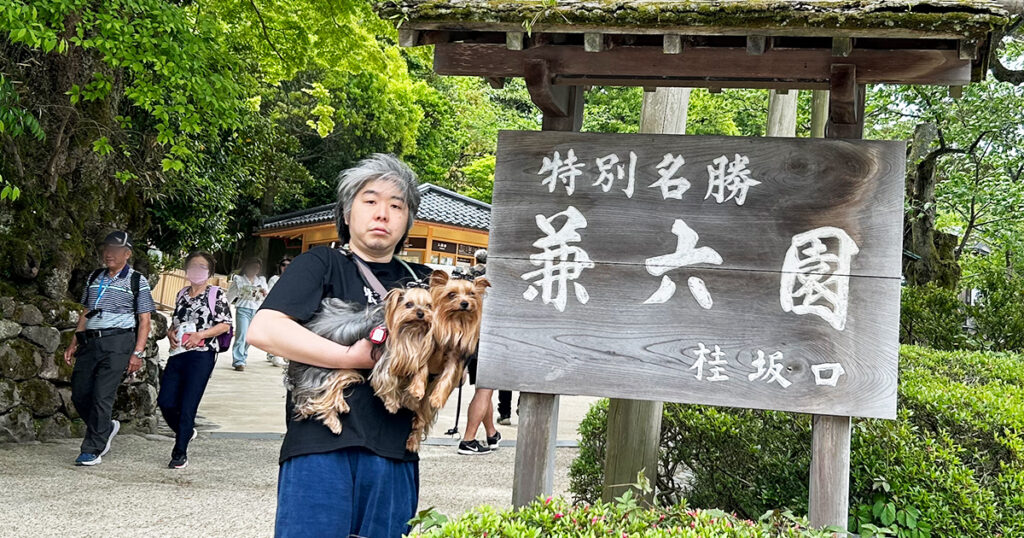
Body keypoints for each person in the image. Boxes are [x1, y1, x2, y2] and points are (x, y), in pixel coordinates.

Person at [247, 154, 433, 538]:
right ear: (347, 214)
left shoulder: (425, 283)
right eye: (370, 201)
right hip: (319, 444)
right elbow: (264, 329)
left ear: (408, 221)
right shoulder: (321, 264)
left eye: (397, 206)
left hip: (395, 450)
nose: (383, 213)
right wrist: (350, 357)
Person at [63, 231, 155, 466]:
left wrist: (137, 353)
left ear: (127, 254)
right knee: (80, 393)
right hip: (90, 342)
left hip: (118, 343)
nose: (108, 253)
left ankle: (92, 448)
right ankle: (105, 427)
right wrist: (74, 341)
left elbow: (145, 320)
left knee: (102, 395)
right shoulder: (95, 276)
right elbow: (86, 312)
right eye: (106, 249)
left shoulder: (137, 281)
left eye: (114, 250)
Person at [159, 251, 232, 469]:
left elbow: (225, 324)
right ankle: (187, 431)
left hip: (202, 355)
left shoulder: (216, 294)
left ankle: (179, 452)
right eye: (192, 266)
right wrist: (171, 333)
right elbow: (176, 322)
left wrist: (201, 335)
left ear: (209, 271)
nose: (196, 271)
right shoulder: (181, 294)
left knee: (189, 403)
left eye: (201, 267)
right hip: (178, 353)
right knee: (166, 401)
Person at [226, 257, 268, 371]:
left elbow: (266, 295)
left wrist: (264, 293)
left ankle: (243, 355)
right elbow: (230, 295)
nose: (255, 269)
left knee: (250, 337)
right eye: (253, 267)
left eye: (257, 268)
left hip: (256, 310)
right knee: (242, 334)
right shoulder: (239, 279)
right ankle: (238, 360)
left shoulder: (261, 280)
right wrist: (224, 308)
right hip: (243, 309)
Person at [265, 256, 292, 368]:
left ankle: (275, 354)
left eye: (289, 265)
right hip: (276, 308)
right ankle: (276, 355)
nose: (285, 267)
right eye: (283, 265)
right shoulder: (274, 279)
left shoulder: (295, 279)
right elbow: (270, 293)